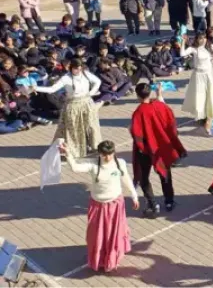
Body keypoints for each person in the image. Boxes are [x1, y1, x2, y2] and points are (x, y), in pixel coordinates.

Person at [60, 139, 139, 273]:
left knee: (113, 233)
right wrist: (68, 154)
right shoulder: (93, 165)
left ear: (114, 152)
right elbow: (75, 168)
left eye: (110, 154)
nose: (107, 157)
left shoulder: (120, 164)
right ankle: (99, 258)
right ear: (100, 154)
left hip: (115, 204)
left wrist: (134, 195)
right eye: (104, 154)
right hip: (97, 206)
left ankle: (112, 257)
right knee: (96, 234)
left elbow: (126, 179)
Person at [130, 82, 186, 218]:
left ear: (137, 95)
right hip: (161, 147)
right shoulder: (159, 106)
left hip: (145, 149)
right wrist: (160, 95)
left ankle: (152, 204)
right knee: (165, 173)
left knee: (144, 178)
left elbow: (136, 132)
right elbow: (170, 121)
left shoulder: (139, 112)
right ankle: (169, 201)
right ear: (150, 93)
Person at [35, 59, 102, 158]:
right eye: (76, 69)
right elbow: (52, 89)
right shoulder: (66, 78)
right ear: (71, 68)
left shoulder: (86, 73)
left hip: (87, 103)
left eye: (80, 68)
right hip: (73, 105)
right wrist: (36, 88)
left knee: (91, 126)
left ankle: (95, 147)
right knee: (74, 128)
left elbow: (98, 82)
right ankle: (75, 150)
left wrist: (91, 92)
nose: (78, 71)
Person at [180, 34, 213, 123]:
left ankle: (209, 114)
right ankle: (200, 115)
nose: (203, 40)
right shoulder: (194, 49)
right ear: (197, 39)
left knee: (210, 94)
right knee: (200, 95)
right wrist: (183, 42)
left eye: (204, 38)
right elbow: (182, 53)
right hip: (198, 74)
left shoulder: (209, 46)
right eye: (200, 38)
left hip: (208, 74)